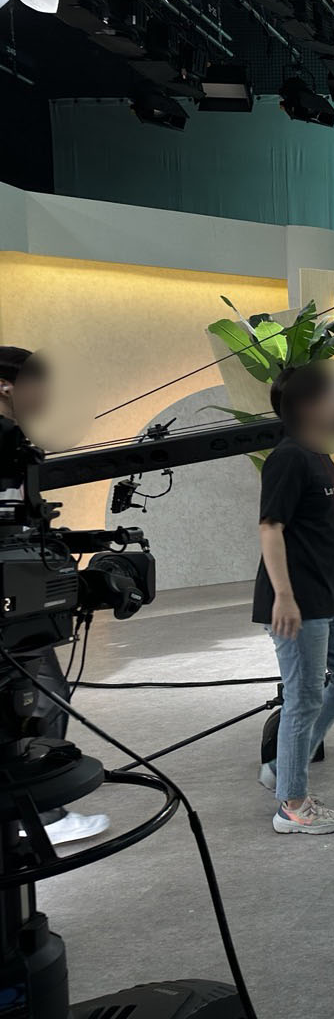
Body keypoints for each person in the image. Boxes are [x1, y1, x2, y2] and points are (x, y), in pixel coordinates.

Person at [254, 363, 334, 836]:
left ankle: (284, 767)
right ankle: (292, 805)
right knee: (302, 700)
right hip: (297, 602)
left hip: (328, 596)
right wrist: (284, 597)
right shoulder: (288, 458)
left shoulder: (319, 452)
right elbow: (270, 528)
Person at [0, 347, 111, 844]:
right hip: (13, 607)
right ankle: (40, 817)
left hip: (15, 595)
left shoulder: (14, 441)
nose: (45, 395)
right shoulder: (6, 441)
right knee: (41, 697)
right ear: (5, 385)